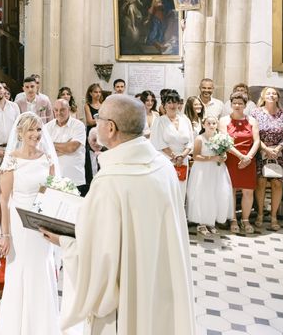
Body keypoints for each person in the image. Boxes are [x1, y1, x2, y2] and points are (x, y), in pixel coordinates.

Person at [40, 95, 195, 335]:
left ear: (110, 128)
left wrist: (63, 241)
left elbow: (100, 262)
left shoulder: (110, 181)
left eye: (99, 118)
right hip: (162, 288)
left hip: (126, 303)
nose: (96, 124)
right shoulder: (163, 166)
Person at [0, 112, 62, 334]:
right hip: (19, 226)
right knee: (21, 270)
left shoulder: (47, 158)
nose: (36, 134)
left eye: (39, 129)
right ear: (20, 132)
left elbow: (50, 192)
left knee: (42, 268)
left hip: (41, 224)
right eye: (31, 130)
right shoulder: (12, 159)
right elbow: (4, 199)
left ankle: (43, 326)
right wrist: (5, 234)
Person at [220, 91, 261, 234]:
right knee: (231, 191)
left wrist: (248, 157)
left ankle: (245, 220)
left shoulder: (252, 121)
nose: (237, 105)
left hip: (249, 159)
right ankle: (233, 220)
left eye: (240, 103)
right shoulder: (224, 120)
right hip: (232, 159)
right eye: (234, 103)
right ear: (231, 104)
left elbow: (257, 141)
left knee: (248, 192)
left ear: (245, 105)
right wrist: (240, 157)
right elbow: (225, 142)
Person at [252, 87, 283, 231]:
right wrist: (266, 149)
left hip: (280, 153)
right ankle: (260, 214)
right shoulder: (256, 113)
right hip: (261, 151)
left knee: (277, 184)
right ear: (263, 96)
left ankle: (273, 217)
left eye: (274, 93)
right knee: (261, 182)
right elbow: (253, 134)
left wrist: (277, 149)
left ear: (278, 97)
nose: (271, 95)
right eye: (268, 93)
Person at [187, 116, 233, 235]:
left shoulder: (221, 138)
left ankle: (210, 221)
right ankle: (201, 223)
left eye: (214, 123)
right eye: (209, 123)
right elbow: (195, 156)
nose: (211, 125)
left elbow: (223, 154)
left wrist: (223, 157)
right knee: (203, 194)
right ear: (204, 125)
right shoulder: (199, 139)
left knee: (216, 194)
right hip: (203, 169)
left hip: (217, 170)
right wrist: (212, 158)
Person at [150, 91, 194, 202]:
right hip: (166, 159)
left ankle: (179, 217)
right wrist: (174, 156)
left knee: (180, 189)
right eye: (169, 102)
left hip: (183, 160)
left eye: (175, 102)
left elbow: (190, 142)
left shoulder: (185, 120)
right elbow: (157, 142)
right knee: (167, 190)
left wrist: (182, 156)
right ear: (164, 105)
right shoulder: (159, 121)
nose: (172, 105)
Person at [46, 99, 87, 192]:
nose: (59, 113)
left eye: (62, 110)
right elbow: (44, 152)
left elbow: (71, 147)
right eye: (56, 110)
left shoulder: (78, 125)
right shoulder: (47, 127)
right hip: (54, 180)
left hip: (75, 179)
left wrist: (51, 144)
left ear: (68, 109)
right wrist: (65, 146)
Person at [84, 83, 103, 190]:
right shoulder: (87, 105)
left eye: (99, 92)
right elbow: (90, 121)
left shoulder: (103, 105)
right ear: (90, 93)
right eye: (95, 92)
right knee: (92, 158)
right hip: (92, 134)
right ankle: (91, 182)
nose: (98, 94)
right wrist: (100, 119)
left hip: (101, 133)